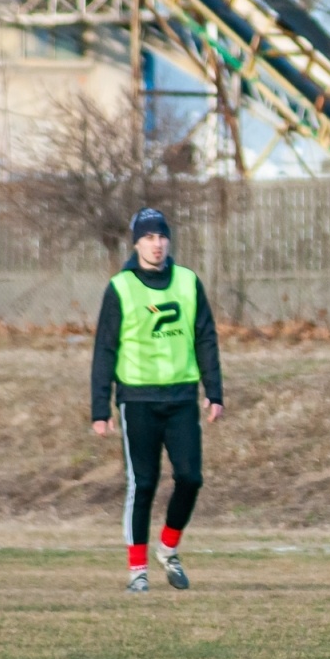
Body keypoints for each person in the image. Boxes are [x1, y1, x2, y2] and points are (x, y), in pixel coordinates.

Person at [90, 208, 223, 594]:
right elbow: (105, 350)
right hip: (137, 399)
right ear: (136, 242)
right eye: (148, 237)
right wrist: (101, 408)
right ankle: (138, 572)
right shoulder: (120, 287)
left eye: (162, 236)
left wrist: (214, 391)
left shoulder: (188, 281)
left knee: (191, 478)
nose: (157, 243)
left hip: (182, 396)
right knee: (143, 482)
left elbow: (206, 338)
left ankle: (168, 548)